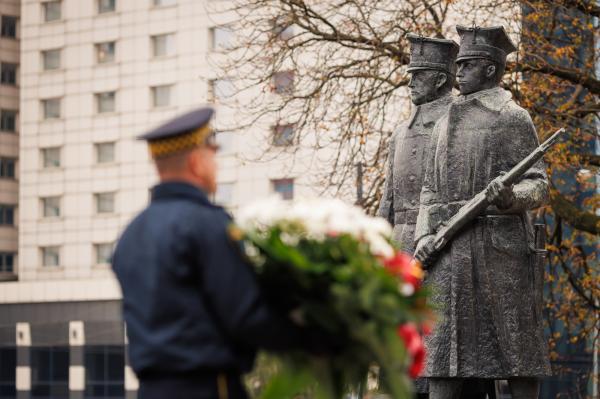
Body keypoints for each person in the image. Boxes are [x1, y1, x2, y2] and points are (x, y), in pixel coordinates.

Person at [112, 107, 307, 399]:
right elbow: (245, 315)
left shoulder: (131, 234)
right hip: (208, 387)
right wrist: (311, 337)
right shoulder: (207, 224)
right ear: (196, 162)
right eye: (212, 154)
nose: (216, 164)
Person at [414, 26, 552, 399]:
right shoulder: (443, 121)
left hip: (500, 252)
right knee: (442, 358)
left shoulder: (512, 116)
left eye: (468, 64)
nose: (458, 72)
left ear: (491, 69)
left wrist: (508, 197)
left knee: (517, 352)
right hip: (449, 251)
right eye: (458, 65)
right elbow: (429, 187)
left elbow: (539, 185)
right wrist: (424, 236)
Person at [378, 33, 457, 253]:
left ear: (440, 80)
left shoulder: (459, 126)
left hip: (442, 245)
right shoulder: (400, 133)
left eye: (419, 75)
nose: (410, 83)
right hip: (400, 247)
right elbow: (388, 201)